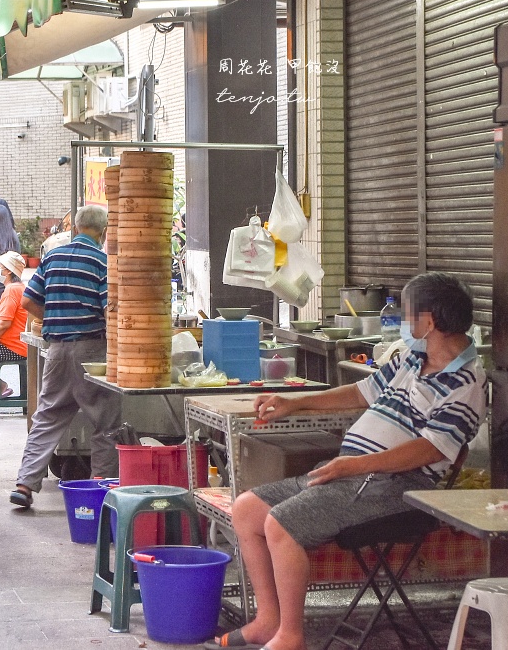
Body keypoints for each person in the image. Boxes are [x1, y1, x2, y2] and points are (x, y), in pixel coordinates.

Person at [207, 272, 487, 650]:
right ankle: (267, 621)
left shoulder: (468, 382)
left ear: (429, 321)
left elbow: (430, 450)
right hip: (355, 474)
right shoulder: (412, 357)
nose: (402, 323)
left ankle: (291, 636)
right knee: (247, 509)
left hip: (400, 486)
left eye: (406, 315)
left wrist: (353, 466)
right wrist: (296, 402)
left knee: (281, 524)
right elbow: (362, 392)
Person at [10, 205, 121, 508]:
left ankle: (24, 484)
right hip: (91, 351)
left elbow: (29, 300)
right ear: (104, 231)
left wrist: (52, 320)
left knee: (47, 416)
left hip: (56, 349)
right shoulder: (102, 262)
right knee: (105, 422)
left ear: (75, 229)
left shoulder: (52, 258)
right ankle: (101, 487)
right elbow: (109, 310)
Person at [0, 250, 28, 400]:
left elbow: (4, 323)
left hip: (12, 347)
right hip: (18, 346)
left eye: (0, 266)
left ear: (7, 271)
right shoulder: (19, 288)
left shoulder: (12, 290)